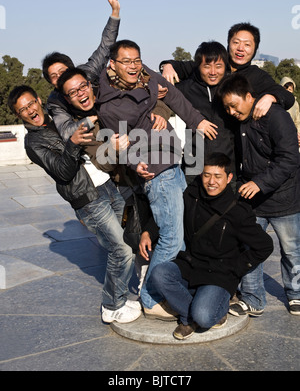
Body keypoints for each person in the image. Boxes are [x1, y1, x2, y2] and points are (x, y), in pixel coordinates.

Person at [7, 85, 142, 324]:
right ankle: (112, 305)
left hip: (108, 185)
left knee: (129, 240)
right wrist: (72, 143)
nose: (30, 110)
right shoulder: (33, 143)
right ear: (19, 116)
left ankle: (118, 295)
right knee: (119, 248)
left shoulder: (60, 117)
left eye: (31, 104)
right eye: (23, 109)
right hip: (88, 199)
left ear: (39, 100)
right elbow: (62, 172)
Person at [95, 39, 207, 320]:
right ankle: (149, 297)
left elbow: (173, 96)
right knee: (171, 240)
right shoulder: (109, 104)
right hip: (156, 171)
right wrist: (135, 162)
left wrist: (196, 121)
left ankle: (171, 288)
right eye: (126, 61)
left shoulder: (144, 74)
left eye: (137, 59)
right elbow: (118, 141)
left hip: (173, 161)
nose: (133, 66)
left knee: (178, 237)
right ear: (113, 64)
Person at [149, 152, 273, 340]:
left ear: (229, 177)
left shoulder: (238, 211)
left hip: (219, 273)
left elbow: (265, 245)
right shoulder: (192, 194)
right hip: (192, 264)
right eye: (207, 175)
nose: (211, 182)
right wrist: (147, 231)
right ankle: (191, 316)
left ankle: (210, 309)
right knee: (159, 273)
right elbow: (169, 209)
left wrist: (236, 269)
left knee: (205, 316)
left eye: (217, 176)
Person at [219, 74, 300, 316]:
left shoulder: (276, 116)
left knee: (292, 250)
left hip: (284, 197)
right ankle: (253, 298)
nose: (231, 112)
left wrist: (259, 183)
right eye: (227, 108)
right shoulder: (241, 121)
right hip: (254, 200)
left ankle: (296, 294)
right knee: (250, 248)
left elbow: (290, 158)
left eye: (234, 105)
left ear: (249, 97)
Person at [159, 22, 294, 118]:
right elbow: (181, 67)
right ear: (228, 43)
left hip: (234, 149)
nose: (240, 48)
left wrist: (271, 97)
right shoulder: (214, 67)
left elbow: (288, 98)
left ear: (255, 49)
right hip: (199, 146)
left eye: (247, 44)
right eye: (236, 42)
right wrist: (167, 65)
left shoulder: (257, 76)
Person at [46, 0, 121, 141]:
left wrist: (115, 12)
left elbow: (106, 47)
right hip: (93, 136)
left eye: (62, 71)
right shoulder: (55, 101)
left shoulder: (87, 72)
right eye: (54, 76)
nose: (60, 77)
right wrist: (92, 118)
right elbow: (66, 132)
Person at [174, 41, 237, 184]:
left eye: (218, 66)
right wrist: (166, 66)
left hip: (226, 168)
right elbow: (161, 96)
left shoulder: (233, 86)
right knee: (192, 206)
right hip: (193, 168)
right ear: (198, 67)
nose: (213, 72)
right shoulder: (187, 88)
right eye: (207, 66)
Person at [280, 76, 300, 148]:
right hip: (280, 136)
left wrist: (298, 134)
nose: (288, 91)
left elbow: (297, 121)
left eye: (290, 89)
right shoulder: (275, 102)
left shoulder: (295, 104)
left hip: (293, 137)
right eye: (286, 88)